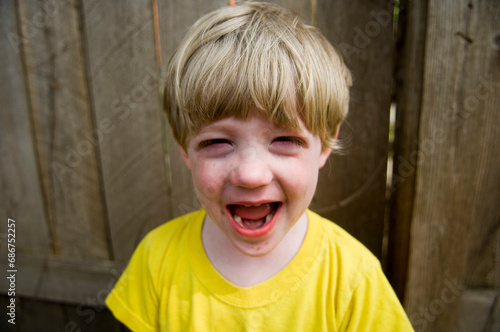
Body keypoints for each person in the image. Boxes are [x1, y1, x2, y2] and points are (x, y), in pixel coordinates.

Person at [106, 2, 414, 331]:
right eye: (216, 143)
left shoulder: (354, 281)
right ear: (184, 148)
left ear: (324, 143)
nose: (251, 175)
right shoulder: (156, 259)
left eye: (285, 140)